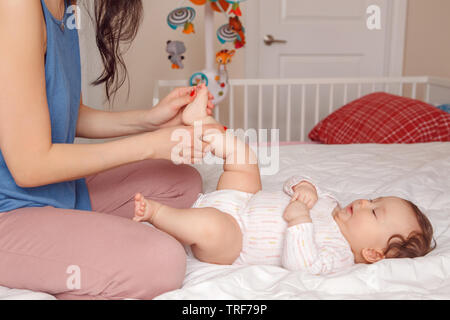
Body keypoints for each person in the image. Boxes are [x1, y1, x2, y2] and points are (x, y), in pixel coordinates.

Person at [0, 0, 221, 299]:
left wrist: (150, 120)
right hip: (10, 211)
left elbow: (67, 113)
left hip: (55, 192)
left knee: (182, 182)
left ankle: (85, 245)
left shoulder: (66, 6)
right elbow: (29, 166)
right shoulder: (16, 7)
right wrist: (149, 147)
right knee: (161, 260)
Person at [134, 85, 436, 274]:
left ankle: (158, 213)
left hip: (236, 238)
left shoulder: (339, 254)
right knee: (246, 163)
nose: (363, 201)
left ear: (372, 253)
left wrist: (300, 220)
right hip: (243, 199)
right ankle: (201, 125)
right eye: (373, 199)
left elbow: (303, 265)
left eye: (373, 210)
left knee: (210, 227)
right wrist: (303, 187)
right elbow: (296, 181)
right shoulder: (330, 202)